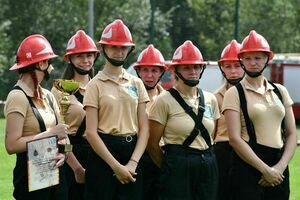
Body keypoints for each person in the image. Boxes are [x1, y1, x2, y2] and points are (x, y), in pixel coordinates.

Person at [223, 30, 297, 200]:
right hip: (247, 166)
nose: (253, 63)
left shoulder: (280, 91)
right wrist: (265, 170)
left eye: (257, 58)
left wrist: (279, 168)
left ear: (267, 59)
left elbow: (292, 133)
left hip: (279, 166)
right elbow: (234, 138)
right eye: (247, 58)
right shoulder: (234, 93)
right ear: (241, 61)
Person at [83, 19, 149, 200]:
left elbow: (144, 129)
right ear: (103, 49)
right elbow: (91, 133)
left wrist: (132, 163)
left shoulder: (137, 83)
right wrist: (116, 167)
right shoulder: (94, 85)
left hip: (132, 154)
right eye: (114, 47)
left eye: (123, 48)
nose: (119, 52)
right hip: (103, 155)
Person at [147, 40, 220, 200]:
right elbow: (152, 144)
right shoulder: (163, 100)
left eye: (196, 66)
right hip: (177, 166)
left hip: (207, 164)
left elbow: (213, 136)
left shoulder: (210, 99)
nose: (193, 71)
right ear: (176, 70)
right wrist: (171, 168)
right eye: (186, 67)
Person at [4, 34, 69, 199]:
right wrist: (51, 134)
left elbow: (64, 136)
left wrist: (66, 154)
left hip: (56, 175)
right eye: (49, 62)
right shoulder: (17, 96)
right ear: (41, 64)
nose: (51, 68)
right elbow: (11, 145)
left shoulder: (48, 95)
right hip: (29, 180)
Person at [51, 30, 99, 200]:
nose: (85, 60)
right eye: (79, 56)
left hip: (99, 153)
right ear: (69, 59)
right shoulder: (59, 90)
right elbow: (60, 136)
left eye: (89, 55)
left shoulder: (101, 86)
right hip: (72, 154)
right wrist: (76, 167)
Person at [133, 44, 167, 200]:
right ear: (138, 71)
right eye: (145, 70)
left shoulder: (169, 99)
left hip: (161, 157)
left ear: (161, 72)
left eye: (154, 70)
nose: (149, 75)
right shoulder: (129, 98)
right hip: (136, 157)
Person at [213, 40, 244, 200]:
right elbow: (212, 132)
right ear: (222, 68)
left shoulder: (254, 94)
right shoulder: (215, 97)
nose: (233, 71)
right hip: (223, 152)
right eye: (228, 66)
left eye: (237, 66)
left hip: (249, 149)